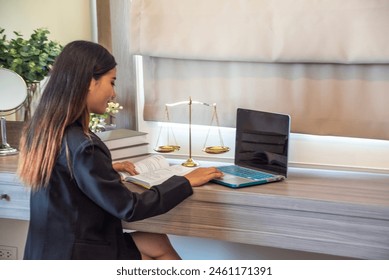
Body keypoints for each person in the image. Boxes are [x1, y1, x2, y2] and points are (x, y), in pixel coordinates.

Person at [17, 40, 223, 260]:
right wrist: (186, 181)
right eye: (111, 82)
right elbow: (129, 208)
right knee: (156, 249)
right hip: (78, 256)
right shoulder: (85, 145)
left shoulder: (43, 132)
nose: (113, 93)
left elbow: (64, 174)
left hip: (47, 252)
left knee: (156, 241)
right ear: (89, 81)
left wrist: (103, 168)